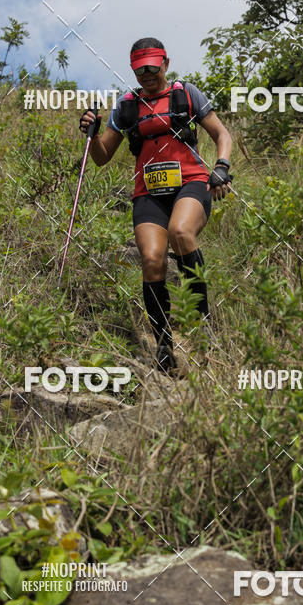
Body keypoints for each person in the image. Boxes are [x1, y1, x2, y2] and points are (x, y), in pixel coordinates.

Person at [79, 37, 233, 373]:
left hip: (192, 182)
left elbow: (222, 134)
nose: (146, 73)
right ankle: (164, 349)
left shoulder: (186, 94)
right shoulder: (126, 106)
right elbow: (103, 158)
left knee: (181, 232)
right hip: (148, 192)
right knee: (151, 259)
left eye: (152, 66)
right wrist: (90, 135)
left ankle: (204, 329)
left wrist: (221, 166)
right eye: (139, 68)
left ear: (165, 63)